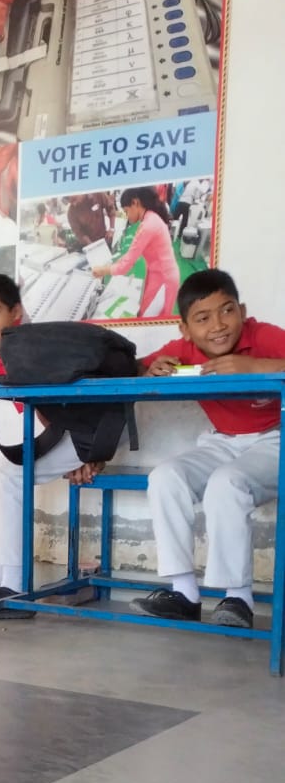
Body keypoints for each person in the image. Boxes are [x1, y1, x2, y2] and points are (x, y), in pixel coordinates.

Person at [0, 274, 104, 619]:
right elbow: (45, 412)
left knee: (8, 474)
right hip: (74, 433)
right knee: (4, 472)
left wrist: (92, 454)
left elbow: (75, 405)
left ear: (16, 312)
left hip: (96, 430)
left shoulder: (34, 347)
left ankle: (14, 589)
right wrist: (69, 455)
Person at [136, 269, 285, 629]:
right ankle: (184, 592)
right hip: (221, 440)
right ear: (185, 330)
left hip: (274, 439)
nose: (218, 325)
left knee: (227, 482)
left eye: (227, 310)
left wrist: (256, 367)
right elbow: (137, 368)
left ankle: (238, 598)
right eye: (202, 318)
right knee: (165, 477)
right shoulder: (182, 351)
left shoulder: (264, 336)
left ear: (242, 310)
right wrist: (148, 371)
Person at [92, 186, 179, 319]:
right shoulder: (150, 218)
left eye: (126, 211)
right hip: (159, 273)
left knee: (149, 320)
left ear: (135, 203)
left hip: (164, 279)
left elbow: (125, 267)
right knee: (146, 312)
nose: (127, 216)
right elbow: (131, 255)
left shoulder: (148, 225)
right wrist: (117, 263)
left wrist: (102, 271)